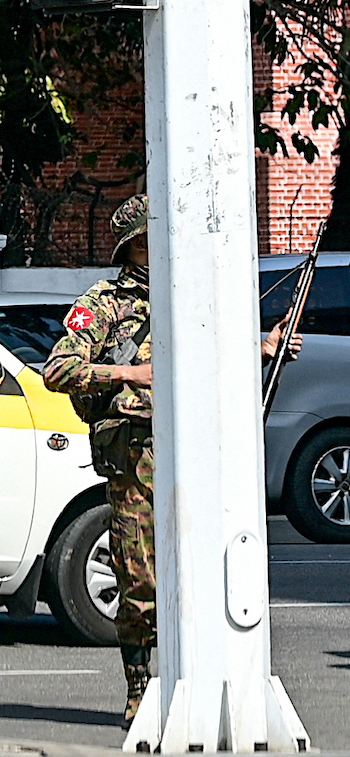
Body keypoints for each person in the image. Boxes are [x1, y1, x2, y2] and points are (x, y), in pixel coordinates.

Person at [42, 194, 301, 729]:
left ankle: (198, 687)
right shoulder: (107, 303)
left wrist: (264, 346)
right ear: (138, 244)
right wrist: (126, 376)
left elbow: (210, 352)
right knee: (141, 584)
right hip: (135, 462)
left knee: (207, 577)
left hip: (196, 457)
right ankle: (139, 693)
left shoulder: (186, 297)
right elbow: (57, 371)